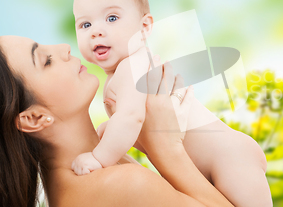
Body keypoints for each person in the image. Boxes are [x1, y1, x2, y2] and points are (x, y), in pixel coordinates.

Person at [72, 0, 272, 206]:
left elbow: (131, 118)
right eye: (85, 24)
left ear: (145, 27)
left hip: (229, 158)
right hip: (215, 162)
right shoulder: (123, 72)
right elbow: (136, 118)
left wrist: (98, 158)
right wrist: (109, 127)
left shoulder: (132, 66)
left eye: (112, 18)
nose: (96, 31)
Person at [0, 35, 238, 207]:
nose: (64, 48)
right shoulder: (123, 185)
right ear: (34, 118)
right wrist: (166, 149)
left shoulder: (83, 179)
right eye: (46, 61)